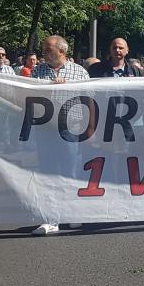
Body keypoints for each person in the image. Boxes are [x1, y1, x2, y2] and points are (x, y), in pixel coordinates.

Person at [29, 35, 89, 236]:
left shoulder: (79, 72)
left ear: (61, 51)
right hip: (45, 130)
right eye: (43, 50)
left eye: (48, 49)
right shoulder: (38, 71)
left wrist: (91, 128)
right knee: (47, 173)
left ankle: (72, 213)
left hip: (71, 129)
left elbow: (90, 99)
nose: (43, 53)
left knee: (70, 172)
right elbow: (27, 95)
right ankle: (50, 218)